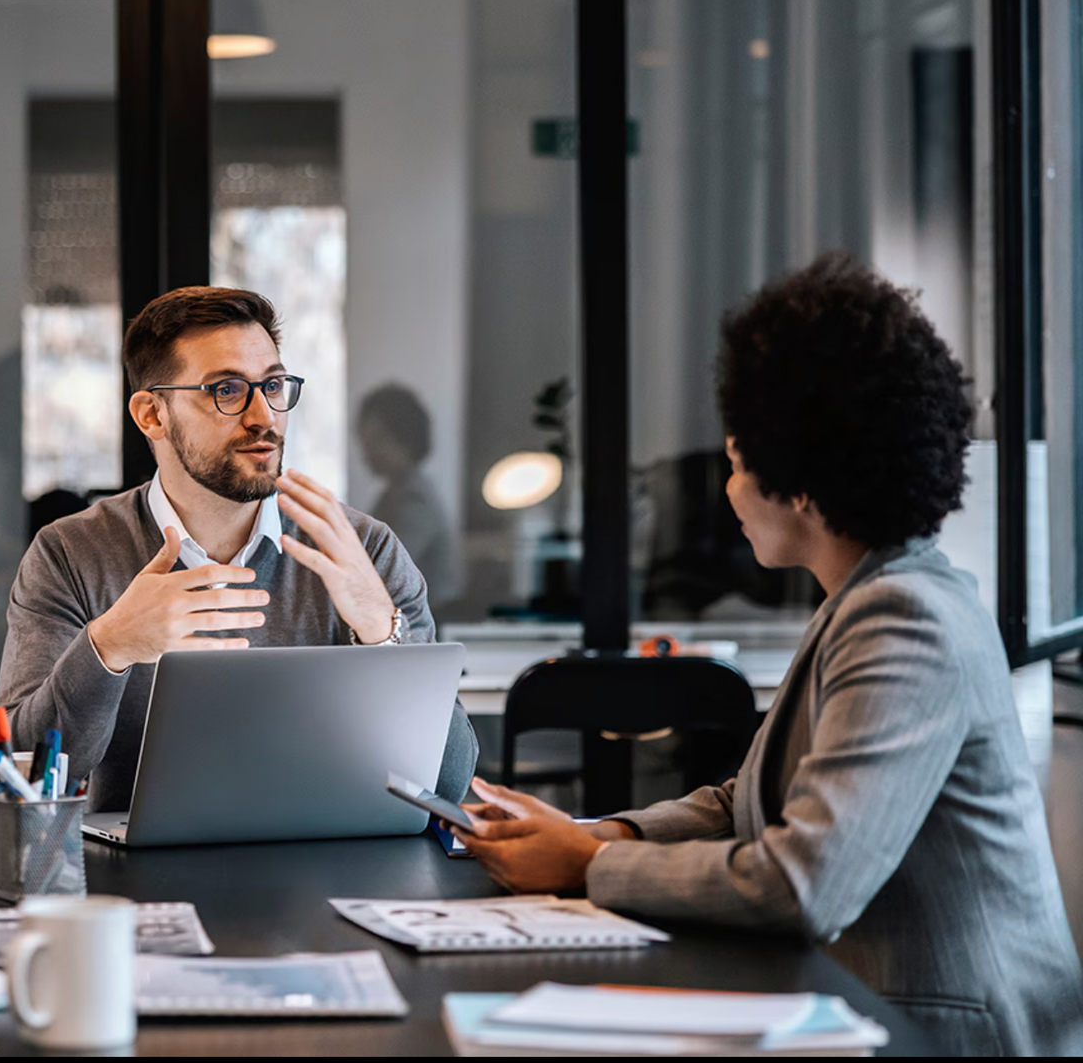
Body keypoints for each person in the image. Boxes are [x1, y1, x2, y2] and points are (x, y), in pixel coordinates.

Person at [455, 253, 1083, 1056]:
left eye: (739, 460)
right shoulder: (866, 597)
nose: (727, 488)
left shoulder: (906, 618)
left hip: (948, 1035)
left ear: (801, 474)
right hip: (864, 1008)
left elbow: (804, 880)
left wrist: (583, 864)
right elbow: (743, 803)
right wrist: (595, 831)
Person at [0, 286, 479, 812]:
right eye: (226, 390)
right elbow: (18, 777)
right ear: (152, 415)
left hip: (332, 873)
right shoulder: (70, 553)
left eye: (272, 385)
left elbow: (447, 785)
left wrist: (380, 631)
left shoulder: (365, 551)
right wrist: (110, 647)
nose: (262, 416)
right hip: (142, 879)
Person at [356, 382, 454, 615]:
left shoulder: (414, 499)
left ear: (406, 440)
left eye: (377, 440)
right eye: (364, 441)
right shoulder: (394, 492)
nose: (367, 452)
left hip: (428, 624)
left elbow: (385, 568)